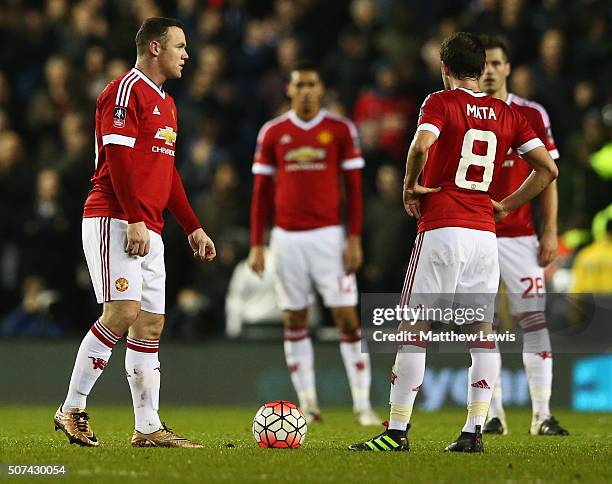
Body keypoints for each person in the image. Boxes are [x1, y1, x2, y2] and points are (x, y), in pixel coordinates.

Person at [349, 32, 558, 453]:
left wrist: (410, 187)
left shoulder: (440, 102)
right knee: (482, 332)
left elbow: (420, 145)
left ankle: (396, 432)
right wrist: (507, 204)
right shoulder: (507, 112)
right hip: (485, 234)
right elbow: (548, 169)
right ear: (483, 71)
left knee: (414, 327)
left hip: (443, 226)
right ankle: (473, 432)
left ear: (444, 69)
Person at [54, 17, 216, 448]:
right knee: (122, 313)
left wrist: (193, 227)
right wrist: (134, 218)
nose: (187, 54)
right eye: (180, 46)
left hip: (150, 226)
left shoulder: (168, 102)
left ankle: (147, 427)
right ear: (156, 48)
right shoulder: (125, 90)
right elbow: (118, 159)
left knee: (150, 324)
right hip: (115, 218)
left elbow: (167, 172)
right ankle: (71, 407)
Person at [248, 61, 380, 426]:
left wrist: (354, 237)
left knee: (347, 318)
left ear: (320, 90)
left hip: (328, 237)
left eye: (311, 84)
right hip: (287, 238)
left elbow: (354, 190)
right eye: (299, 85)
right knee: (295, 318)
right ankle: (308, 403)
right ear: (289, 90)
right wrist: (258, 243)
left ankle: (362, 405)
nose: (305, 91)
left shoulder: (340, 130)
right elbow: (260, 193)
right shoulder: (273, 133)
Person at [479, 35, 569, 437]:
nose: (490, 70)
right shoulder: (466, 112)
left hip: (520, 236)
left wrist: (550, 230)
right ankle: (492, 414)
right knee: (484, 323)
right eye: (484, 63)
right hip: (475, 233)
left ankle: (541, 415)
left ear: (509, 67)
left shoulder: (531, 113)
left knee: (533, 321)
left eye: (497, 63)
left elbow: (549, 176)